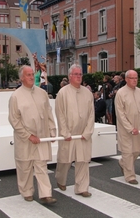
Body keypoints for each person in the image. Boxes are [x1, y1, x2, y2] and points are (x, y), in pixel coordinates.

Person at [8, 65, 57, 204]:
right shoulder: (15, 96)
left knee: (41, 165)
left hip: (41, 137)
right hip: (25, 139)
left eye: (32, 74)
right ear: (22, 78)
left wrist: (52, 131)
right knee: (25, 167)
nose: (31, 77)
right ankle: (27, 192)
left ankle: (46, 194)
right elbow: (14, 120)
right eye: (28, 75)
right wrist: (29, 136)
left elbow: (48, 113)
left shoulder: (42, 93)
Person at [55, 64, 94, 197]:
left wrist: (88, 131)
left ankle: (82, 188)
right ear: (70, 76)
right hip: (69, 134)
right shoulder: (63, 93)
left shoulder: (88, 93)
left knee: (83, 160)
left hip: (83, 134)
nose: (79, 77)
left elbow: (91, 114)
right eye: (76, 74)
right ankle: (60, 178)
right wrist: (65, 132)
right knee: (65, 160)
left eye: (80, 74)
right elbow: (60, 114)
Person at [115, 70, 140, 185]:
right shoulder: (121, 93)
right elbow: (120, 113)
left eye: (136, 78)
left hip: (139, 127)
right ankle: (130, 176)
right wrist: (129, 128)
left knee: (137, 150)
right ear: (126, 79)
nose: (134, 80)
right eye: (132, 78)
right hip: (125, 128)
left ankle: (123, 163)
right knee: (127, 151)